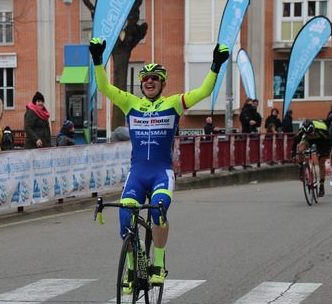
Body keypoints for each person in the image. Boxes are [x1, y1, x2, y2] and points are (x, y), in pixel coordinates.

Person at [89, 37, 229, 288]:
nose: (150, 81)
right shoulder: (131, 103)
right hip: (137, 173)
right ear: (141, 83)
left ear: (162, 83)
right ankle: (132, 269)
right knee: (125, 216)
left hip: (161, 173)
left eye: (155, 78)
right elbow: (104, 87)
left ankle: (159, 264)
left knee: (158, 212)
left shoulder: (173, 103)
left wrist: (216, 65)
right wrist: (98, 60)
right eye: (145, 78)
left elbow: (204, 91)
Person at [292, 120, 330, 197]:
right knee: (300, 149)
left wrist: (324, 152)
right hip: (308, 141)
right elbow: (295, 142)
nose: (309, 135)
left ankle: (321, 184)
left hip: (321, 141)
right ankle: (302, 167)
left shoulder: (321, 130)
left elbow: (328, 141)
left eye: (310, 133)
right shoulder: (301, 132)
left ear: (313, 129)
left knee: (321, 161)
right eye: (307, 134)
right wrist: (293, 155)